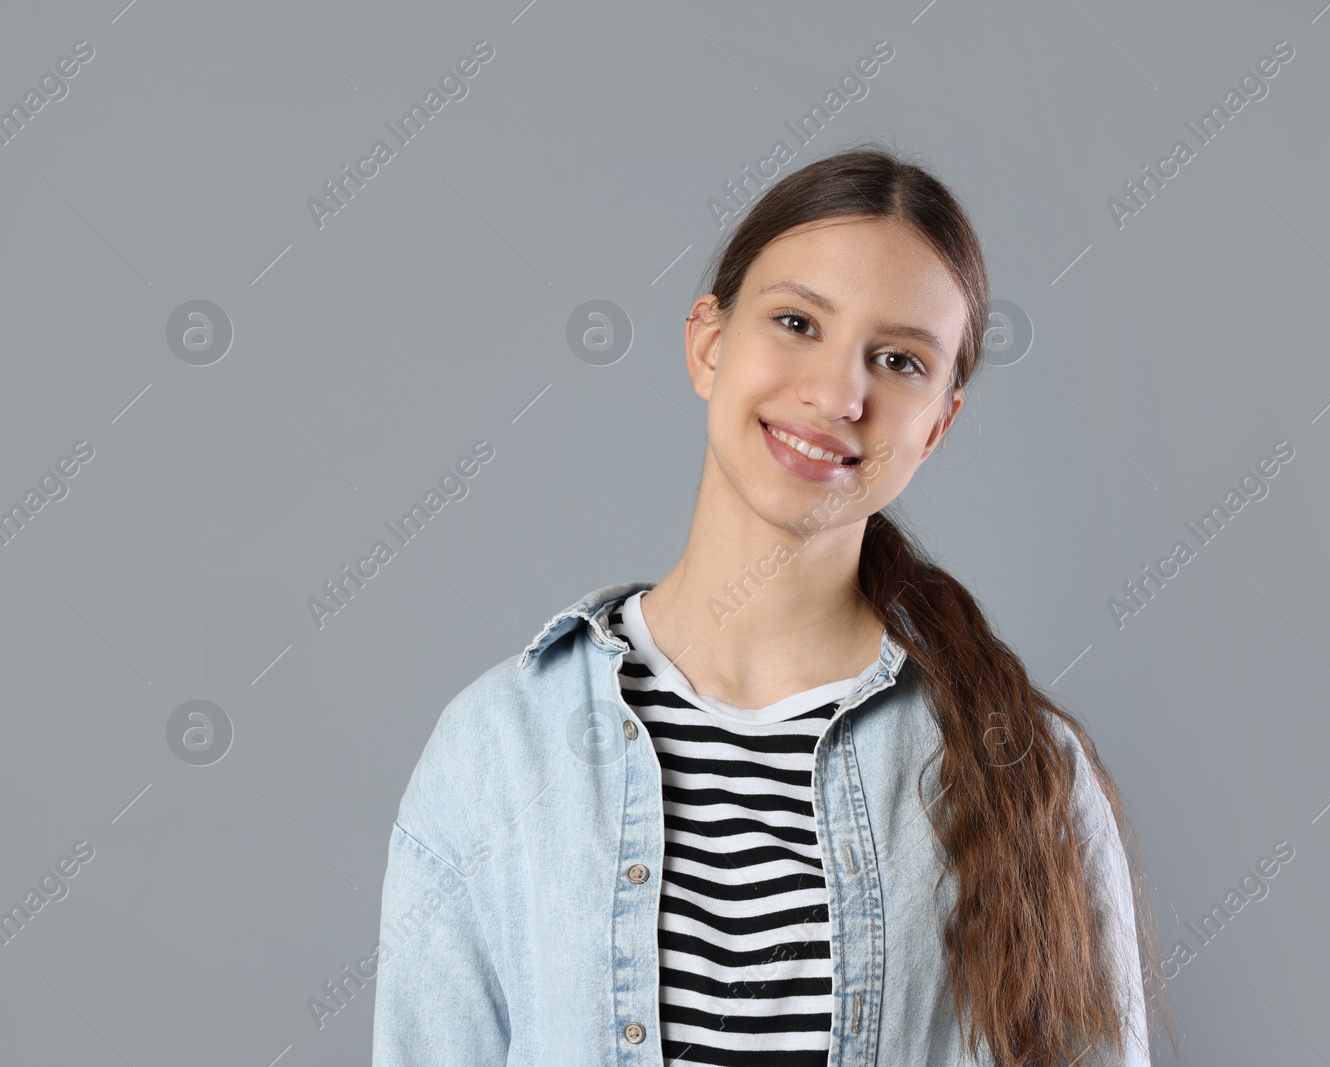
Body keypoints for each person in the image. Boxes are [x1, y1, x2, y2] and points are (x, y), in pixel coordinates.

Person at [372, 143, 1174, 1067]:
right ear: (709, 342)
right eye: (797, 321)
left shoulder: (1024, 770)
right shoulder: (497, 749)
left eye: (900, 361)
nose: (838, 393)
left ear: (938, 425)